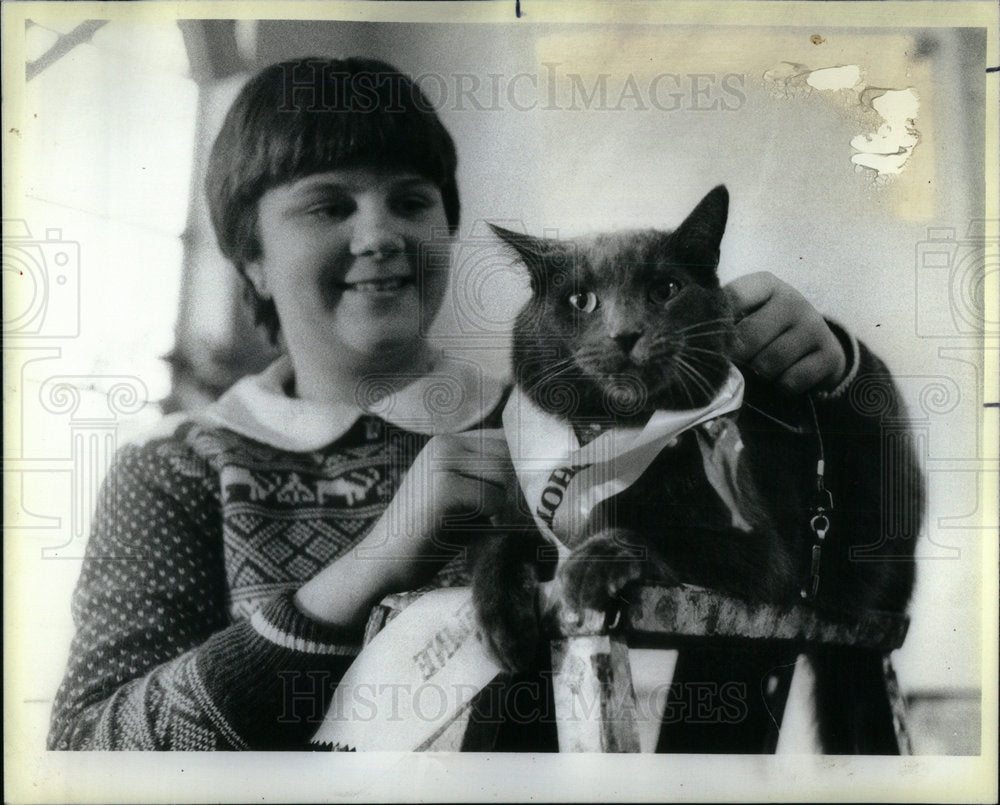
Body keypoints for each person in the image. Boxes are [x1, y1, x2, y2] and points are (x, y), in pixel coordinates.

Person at [48, 57, 878, 751]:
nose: (381, 235)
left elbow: (799, 572)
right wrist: (372, 564)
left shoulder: (574, 429)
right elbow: (87, 753)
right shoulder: (178, 471)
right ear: (252, 258)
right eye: (329, 204)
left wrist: (825, 373)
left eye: (411, 201)